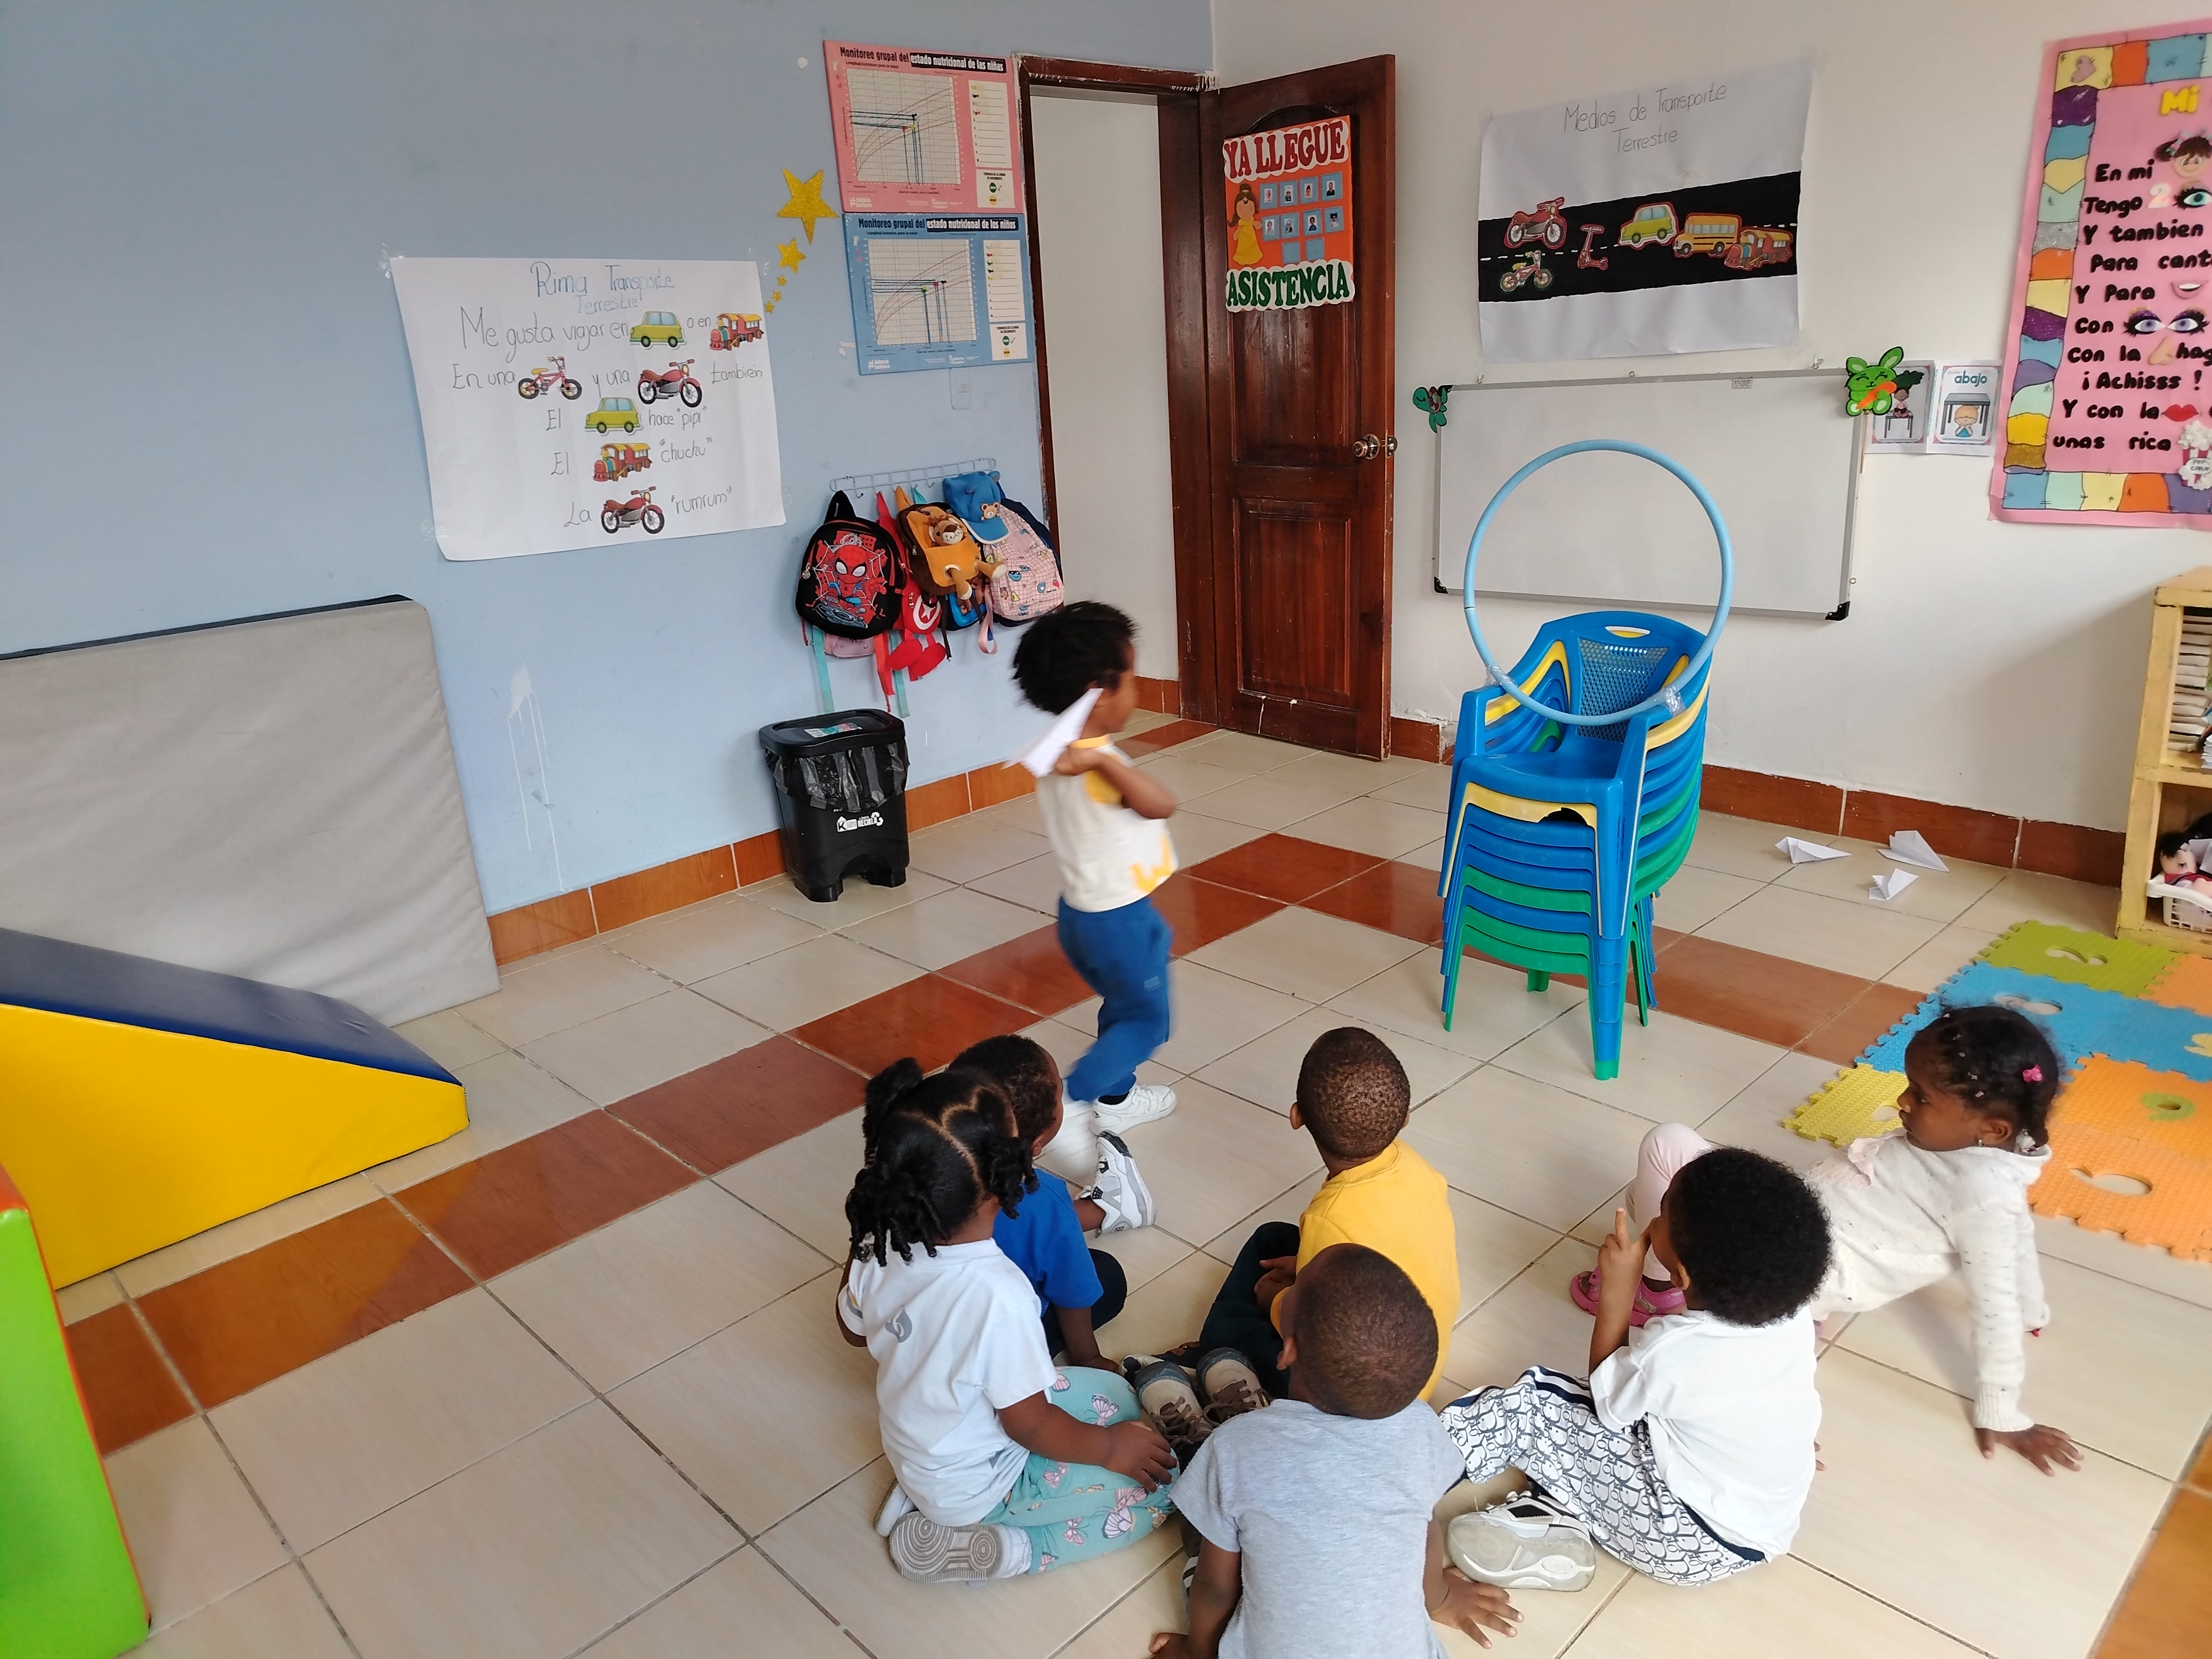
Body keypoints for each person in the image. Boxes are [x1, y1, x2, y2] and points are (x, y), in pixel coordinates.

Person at [837, 1058, 1176, 1583]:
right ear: (1006, 1183)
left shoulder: (879, 1243)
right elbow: (1029, 1425)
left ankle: (922, 1496)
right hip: (984, 1483)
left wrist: (866, 1234)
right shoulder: (999, 1293)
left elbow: (852, 1330)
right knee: (1163, 1490)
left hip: (924, 1445)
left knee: (1116, 1394)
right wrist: (1110, 1450)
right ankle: (1008, 1548)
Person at [1443, 1145, 1832, 1588]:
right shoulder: (1793, 1318)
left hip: (1675, 1536)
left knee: (1535, 1402)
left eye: (1663, 1212)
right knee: (1628, 1419)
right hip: (1757, 1533)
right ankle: (1546, 1516)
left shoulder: (1673, 1352)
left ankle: (1414, 1463)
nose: (1653, 1220)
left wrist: (1619, 1289)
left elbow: (1607, 1403)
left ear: (1680, 1275)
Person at [1150, 1245, 1521, 1659]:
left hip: (1244, 1461)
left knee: (1207, 1527)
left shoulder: (1231, 1447)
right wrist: (1441, 1597)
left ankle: (1215, 1429)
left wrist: (1199, 1654)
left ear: (1288, 1350)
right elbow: (1425, 1530)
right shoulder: (1422, 1429)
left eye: (1296, 1285)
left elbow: (1216, 1589)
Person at [1165, 1029, 1458, 1419]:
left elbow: (1319, 1334)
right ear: (1404, 1119)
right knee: (1274, 1238)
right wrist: (1305, 1266)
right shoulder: (1417, 1167)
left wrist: (1276, 1301)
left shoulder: (1330, 1219)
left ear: (1296, 1117)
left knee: (1235, 1326)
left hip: (1363, 1394)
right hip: (1413, 1362)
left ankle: (1213, 1353)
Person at [1011, 602, 1181, 1191]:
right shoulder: (1096, 762)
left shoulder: (1053, 752)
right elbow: (1161, 804)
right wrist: (1107, 763)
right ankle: (1074, 1100)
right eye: (1131, 678)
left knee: (1124, 997)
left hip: (1083, 916)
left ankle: (1116, 1096)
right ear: (1098, 693)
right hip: (1117, 919)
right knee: (1148, 1020)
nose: (1138, 690)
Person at [951, 1034, 1148, 1365]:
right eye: (1059, 1095)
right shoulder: (1041, 1197)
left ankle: (1104, 1210)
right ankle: (1110, 1208)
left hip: (922, 1336)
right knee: (1106, 1275)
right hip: (987, 1352)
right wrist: (1088, 1357)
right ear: (1039, 1141)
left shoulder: (907, 1177)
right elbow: (1072, 1290)